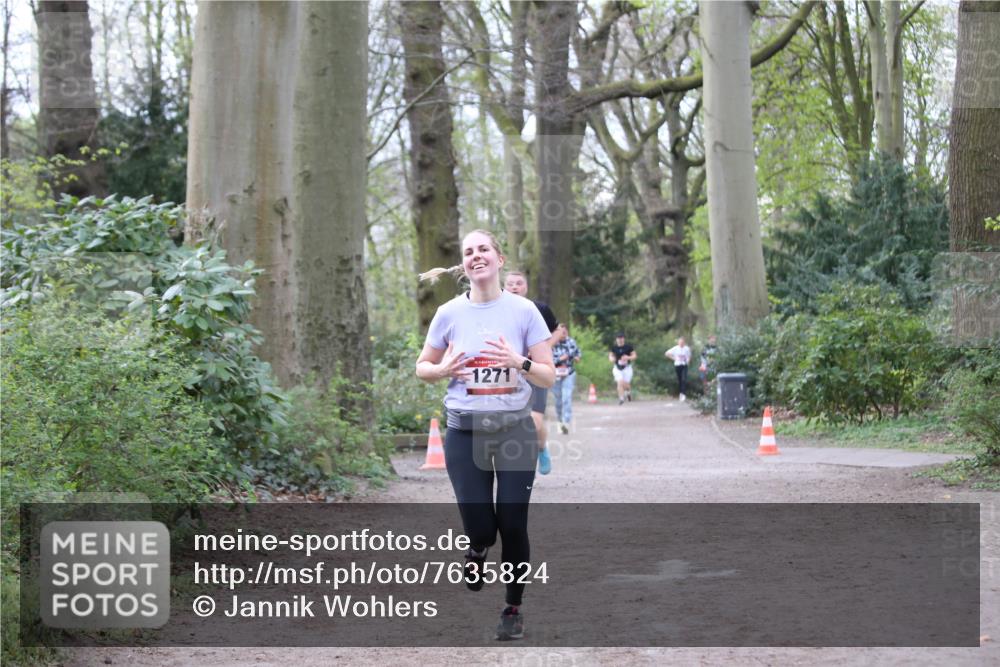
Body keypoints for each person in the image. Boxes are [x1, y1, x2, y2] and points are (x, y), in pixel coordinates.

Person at [415, 229, 555, 641]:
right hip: (465, 432)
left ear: (499, 258)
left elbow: (548, 375)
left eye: (483, 249)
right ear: (463, 264)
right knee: (481, 529)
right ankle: (476, 549)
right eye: (469, 251)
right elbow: (422, 366)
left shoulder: (525, 311)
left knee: (513, 523)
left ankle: (512, 608)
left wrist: (518, 362)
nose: (476, 255)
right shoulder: (448, 313)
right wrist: (442, 370)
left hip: (514, 430)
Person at [503, 270, 559, 475]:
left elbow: (558, 330)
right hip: (506, 372)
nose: (514, 287)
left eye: (519, 283)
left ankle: (541, 449)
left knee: (534, 421)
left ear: (526, 287)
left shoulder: (538, 309)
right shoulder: (496, 310)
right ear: (504, 287)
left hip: (534, 370)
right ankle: (516, 464)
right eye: (510, 284)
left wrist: (541, 349)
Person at [551, 322, 581, 434]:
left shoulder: (571, 342)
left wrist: (577, 357)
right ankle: (560, 421)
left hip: (569, 373)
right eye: (561, 332)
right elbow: (548, 360)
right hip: (555, 374)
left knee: (566, 398)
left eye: (565, 332)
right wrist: (560, 359)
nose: (563, 334)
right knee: (558, 401)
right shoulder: (551, 343)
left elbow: (577, 353)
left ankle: (566, 423)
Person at [608, 332, 636, 405]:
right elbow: (610, 356)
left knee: (626, 384)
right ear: (616, 339)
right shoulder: (614, 348)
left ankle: (628, 392)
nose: (620, 340)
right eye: (618, 338)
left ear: (624, 339)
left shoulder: (628, 347)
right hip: (617, 368)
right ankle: (621, 398)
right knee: (620, 382)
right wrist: (612, 359)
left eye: (621, 338)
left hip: (627, 368)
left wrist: (628, 357)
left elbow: (634, 356)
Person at [665, 336, 692, 401]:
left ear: (684, 342)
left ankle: (683, 394)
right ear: (678, 342)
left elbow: (689, 356)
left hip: (684, 365)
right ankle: (681, 393)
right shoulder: (675, 348)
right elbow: (666, 353)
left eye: (682, 342)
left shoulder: (687, 348)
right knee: (680, 380)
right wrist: (674, 358)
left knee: (684, 379)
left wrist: (688, 361)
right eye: (680, 342)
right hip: (677, 365)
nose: (681, 343)